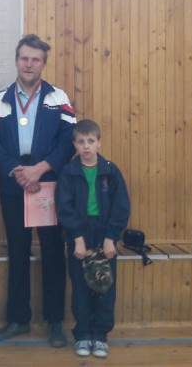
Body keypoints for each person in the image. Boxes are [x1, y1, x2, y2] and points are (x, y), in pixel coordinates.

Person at [0, 34, 76, 347]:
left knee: (53, 251)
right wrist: (17, 171)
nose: (29, 64)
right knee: (18, 250)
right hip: (14, 182)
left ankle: (54, 322)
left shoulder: (58, 97)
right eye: (24, 58)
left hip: (49, 183)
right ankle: (18, 319)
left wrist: (41, 168)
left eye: (35, 59)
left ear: (43, 64)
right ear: (16, 61)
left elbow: (68, 140)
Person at [55, 119, 130, 358]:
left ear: (99, 142)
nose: (86, 146)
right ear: (75, 144)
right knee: (80, 288)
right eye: (81, 142)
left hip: (104, 233)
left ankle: (100, 335)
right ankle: (83, 334)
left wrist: (111, 237)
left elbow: (121, 207)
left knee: (105, 286)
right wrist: (77, 238)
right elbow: (64, 208)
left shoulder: (110, 171)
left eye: (90, 141)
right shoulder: (68, 172)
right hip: (79, 233)